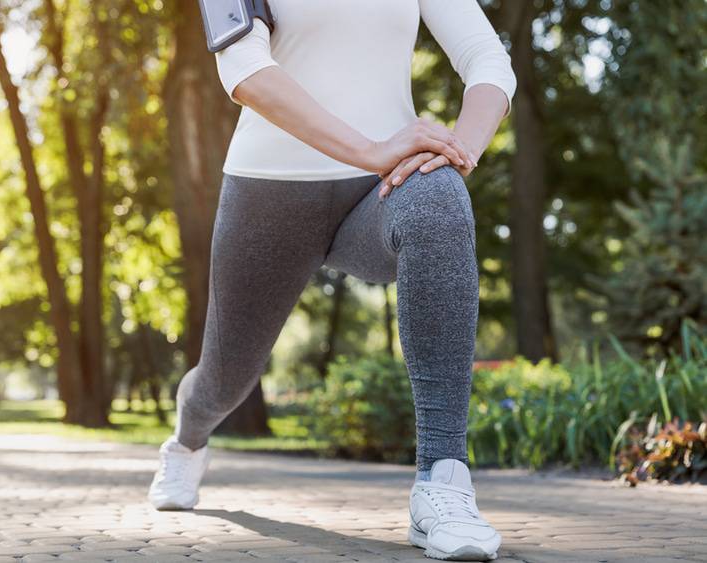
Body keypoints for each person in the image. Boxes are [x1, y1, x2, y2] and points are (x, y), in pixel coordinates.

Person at [148, 1, 516, 560]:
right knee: (226, 378)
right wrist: (371, 150)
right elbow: (243, 70)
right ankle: (186, 440)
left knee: (441, 198)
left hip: (380, 189)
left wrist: (456, 151)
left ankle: (442, 482)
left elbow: (488, 57)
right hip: (268, 194)